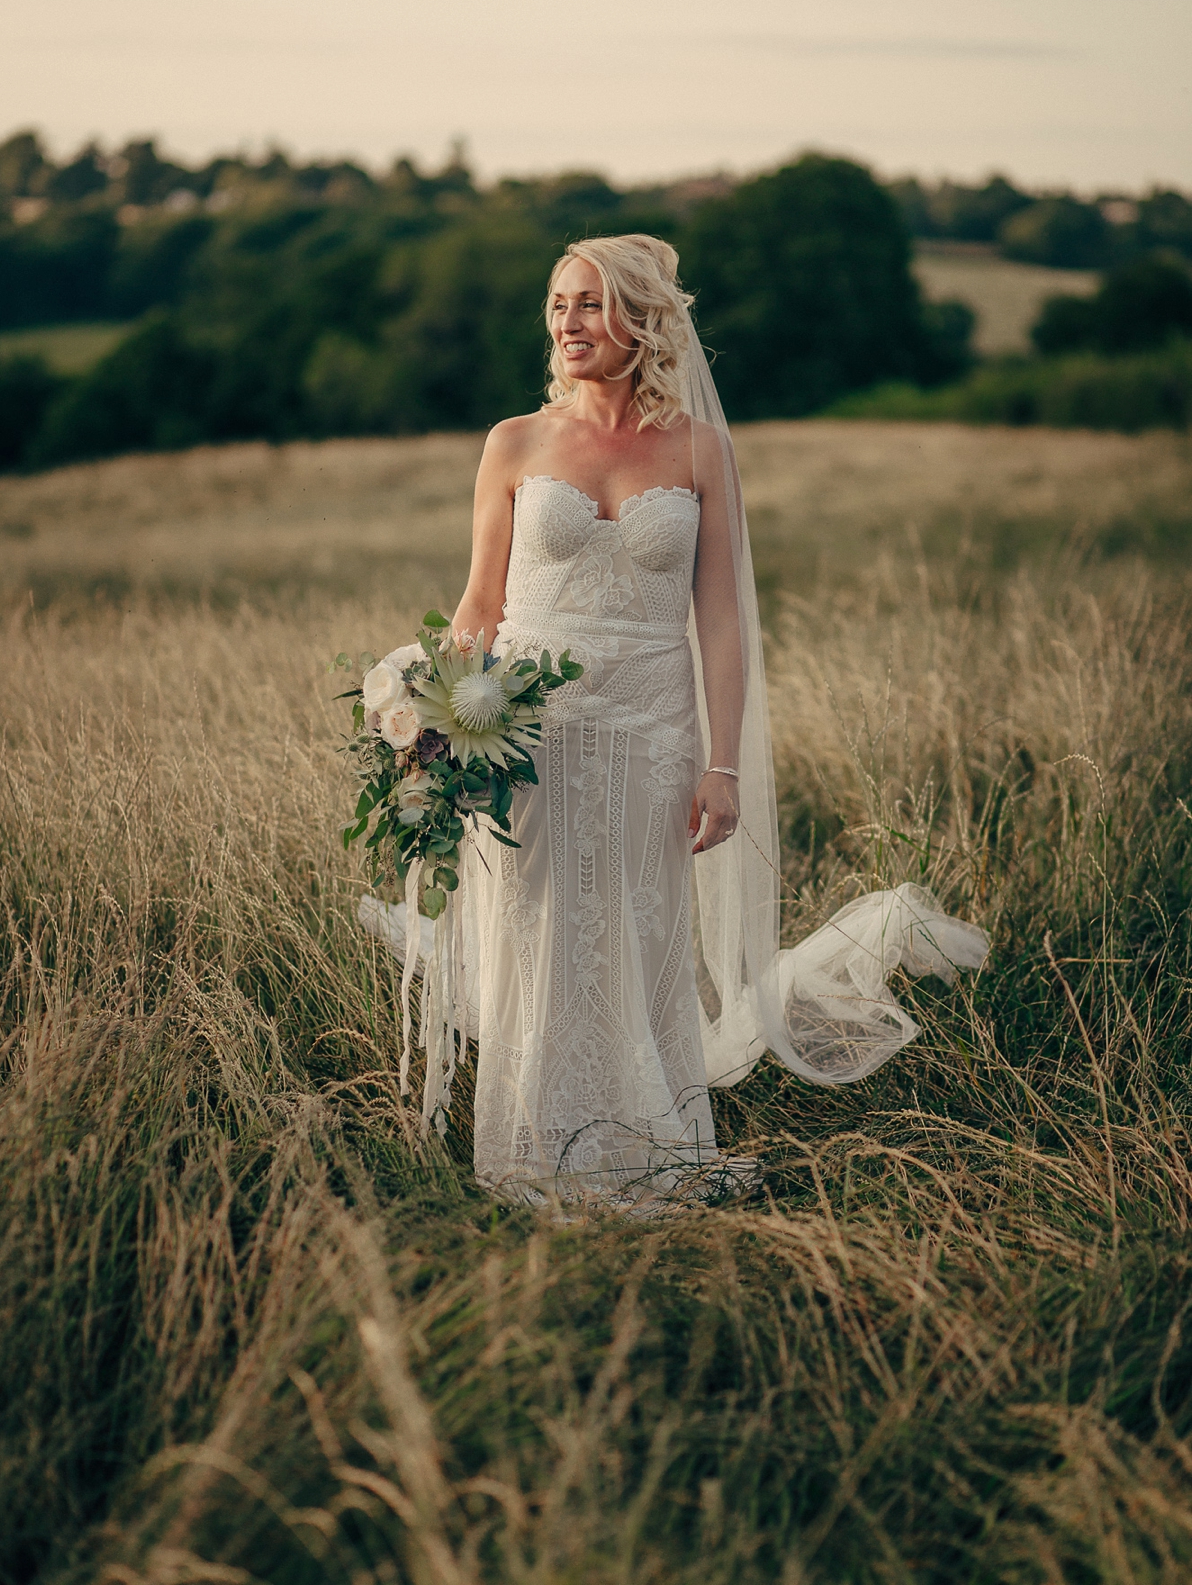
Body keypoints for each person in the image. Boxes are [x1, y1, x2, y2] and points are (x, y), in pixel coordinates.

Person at [366, 234, 988, 1203]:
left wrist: (723, 765)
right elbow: (481, 605)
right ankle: (534, 1150)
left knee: (641, 932)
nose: (567, 324)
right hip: (536, 731)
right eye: (559, 305)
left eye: (590, 304)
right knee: (538, 930)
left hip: (657, 729)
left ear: (645, 321)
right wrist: (433, 725)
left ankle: (649, 1142)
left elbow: (723, 621)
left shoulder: (702, 451)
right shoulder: (515, 443)